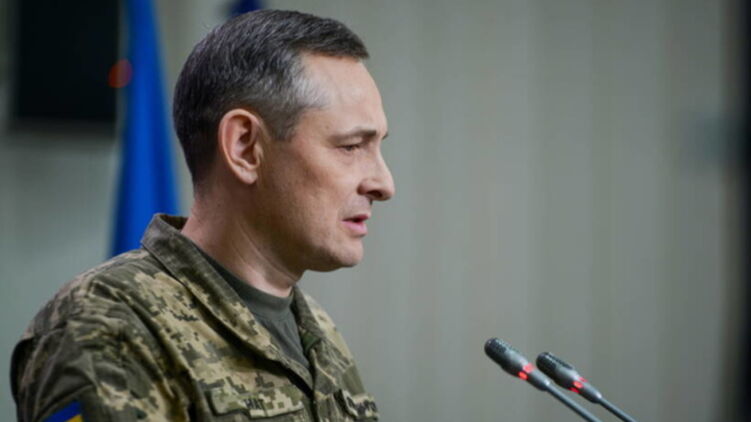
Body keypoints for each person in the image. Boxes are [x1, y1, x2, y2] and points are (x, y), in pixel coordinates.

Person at [11, 9, 394, 422]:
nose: (384, 184)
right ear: (245, 146)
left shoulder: (318, 332)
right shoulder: (110, 327)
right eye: (351, 147)